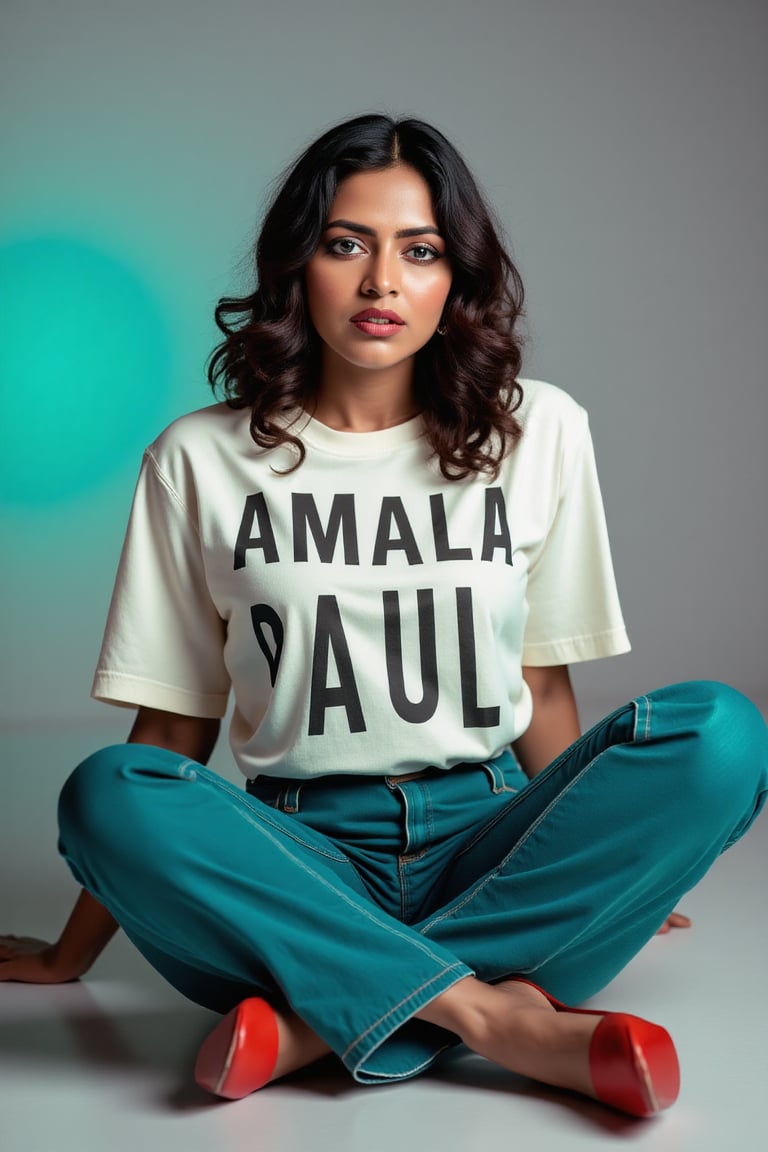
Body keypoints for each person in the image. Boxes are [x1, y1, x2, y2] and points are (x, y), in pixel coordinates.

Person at [1, 113, 766, 1118]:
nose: (382, 284)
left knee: (723, 734)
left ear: (457, 279)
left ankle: (321, 1021)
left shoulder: (540, 433)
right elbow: (174, 731)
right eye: (346, 244)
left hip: (487, 836)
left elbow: (538, 681)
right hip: (296, 860)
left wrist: (602, 852)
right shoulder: (199, 458)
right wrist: (72, 950)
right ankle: (499, 1017)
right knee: (106, 791)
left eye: (421, 251)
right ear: (297, 265)